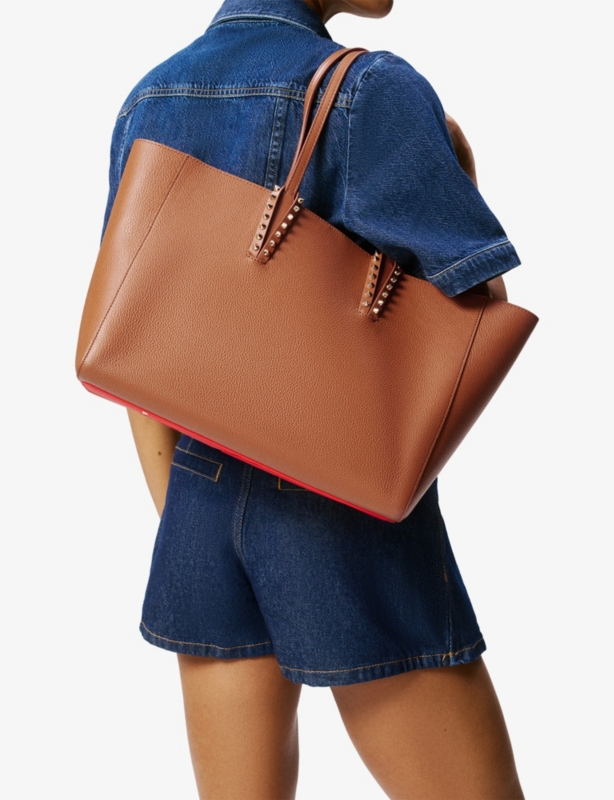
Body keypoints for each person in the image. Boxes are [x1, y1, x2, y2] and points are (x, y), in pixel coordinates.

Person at [103, 0, 525, 796]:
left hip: (196, 509)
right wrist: (460, 176)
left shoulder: (151, 96)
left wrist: (186, 516)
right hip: (342, 511)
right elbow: (475, 319)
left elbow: (137, 345)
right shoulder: (372, 89)